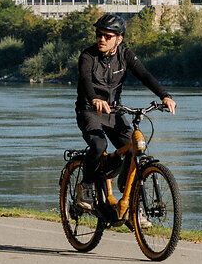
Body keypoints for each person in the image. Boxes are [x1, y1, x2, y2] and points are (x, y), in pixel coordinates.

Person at [75, 13, 175, 199]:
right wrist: (94, 99)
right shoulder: (88, 56)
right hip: (89, 110)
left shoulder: (125, 55)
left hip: (114, 111)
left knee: (134, 148)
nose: (101, 39)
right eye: (99, 34)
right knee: (98, 145)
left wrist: (164, 95)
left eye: (107, 36)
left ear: (119, 39)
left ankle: (126, 193)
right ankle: (86, 185)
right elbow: (85, 79)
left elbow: (145, 75)